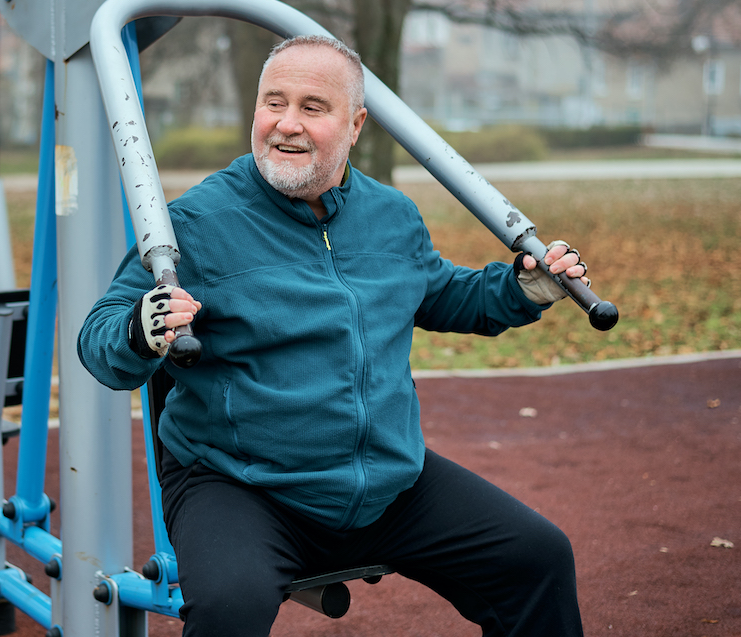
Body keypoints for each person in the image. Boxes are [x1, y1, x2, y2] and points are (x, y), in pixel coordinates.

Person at [77, 35, 590, 637]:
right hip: (245, 483)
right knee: (228, 609)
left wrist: (524, 290)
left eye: (312, 108)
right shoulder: (194, 224)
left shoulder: (391, 216)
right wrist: (141, 329)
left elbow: (445, 295)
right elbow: (99, 338)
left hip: (386, 481)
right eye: (274, 103)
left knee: (538, 558)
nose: (286, 125)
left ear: (356, 125)